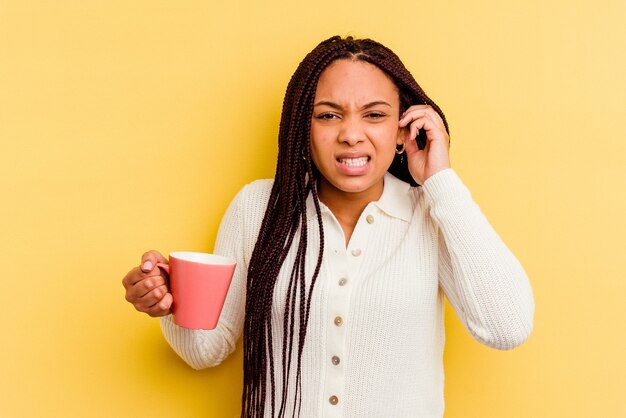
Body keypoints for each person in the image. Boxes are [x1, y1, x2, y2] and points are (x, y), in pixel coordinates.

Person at [122, 35, 534, 418]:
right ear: (305, 129)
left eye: (374, 115)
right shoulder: (258, 208)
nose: (351, 134)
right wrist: (170, 301)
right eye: (328, 115)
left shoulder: (433, 213)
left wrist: (440, 180)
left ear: (402, 130)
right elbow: (206, 351)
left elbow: (507, 326)